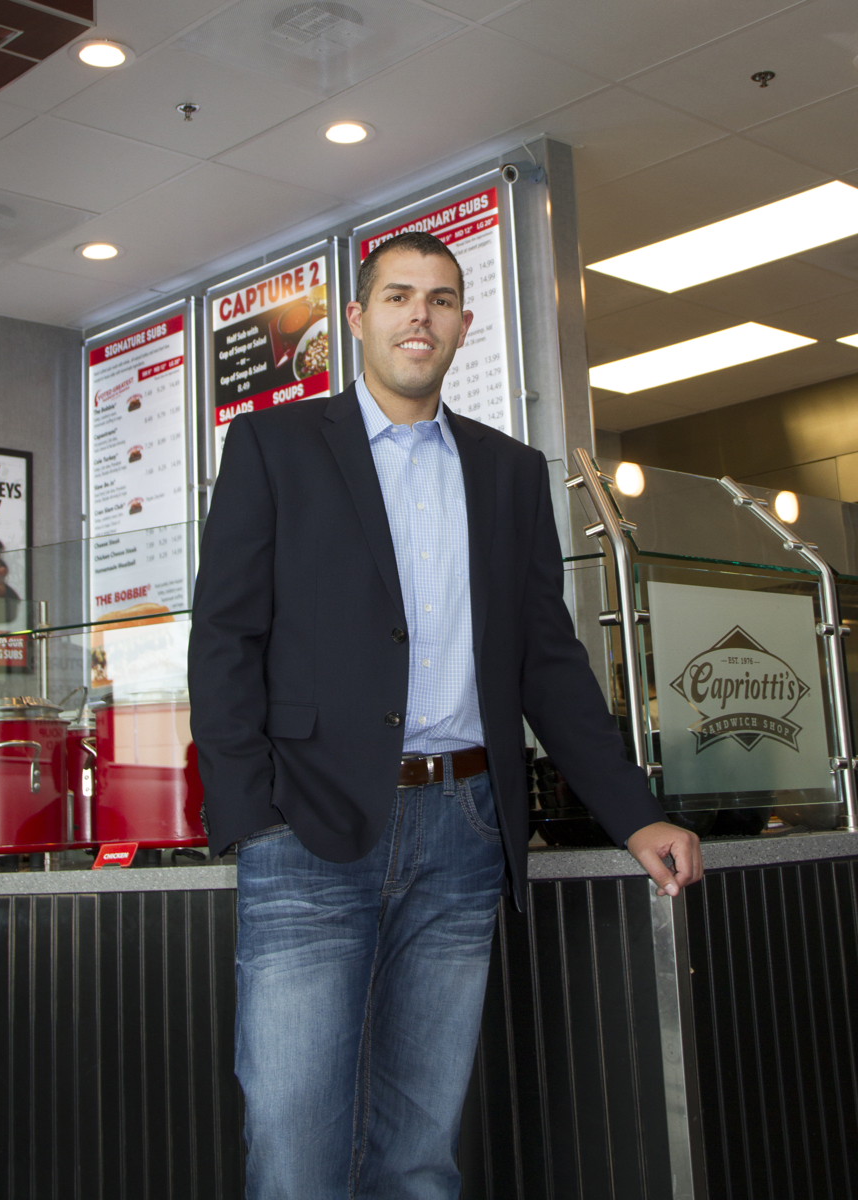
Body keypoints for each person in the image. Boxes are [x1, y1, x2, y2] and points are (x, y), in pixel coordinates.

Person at [188, 230, 703, 1199]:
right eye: (397, 296)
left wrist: (635, 814)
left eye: (439, 299)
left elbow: (549, 663)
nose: (417, 315)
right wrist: (252, 815)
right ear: (357, 318)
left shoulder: (509, 471)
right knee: (293, 1149)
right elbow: (224, 638)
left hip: (464, 828)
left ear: (463, 324)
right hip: (308, 827)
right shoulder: (274, 446)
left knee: (421, 1152)